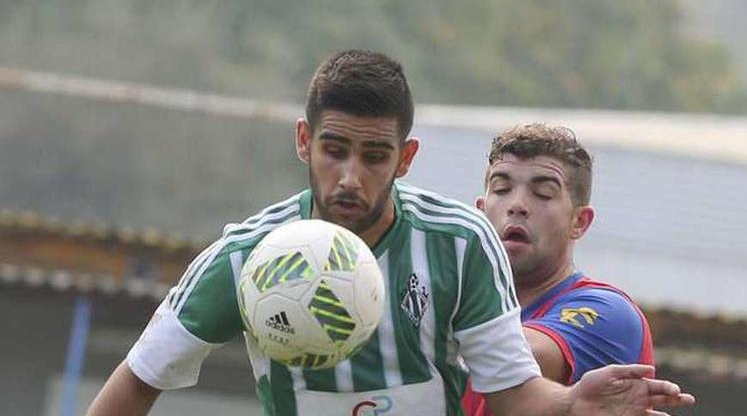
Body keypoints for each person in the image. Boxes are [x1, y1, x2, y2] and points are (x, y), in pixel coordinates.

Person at [86, 50, 693, 416]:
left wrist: (568, 403)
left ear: (406, 158)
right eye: (334, 150)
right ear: (304, 142)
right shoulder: (246, 256)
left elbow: (514, 394)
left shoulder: (460, 245)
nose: (351, 177)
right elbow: (135, 382)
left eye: (375, 156)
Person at [461, 124, 655, 415]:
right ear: (480, 212)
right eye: (501, 189)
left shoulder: (610, 312)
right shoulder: (455, 307)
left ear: (579, 222)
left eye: (543, 193)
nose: (517, 205)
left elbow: (518, 356)